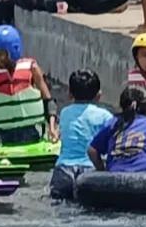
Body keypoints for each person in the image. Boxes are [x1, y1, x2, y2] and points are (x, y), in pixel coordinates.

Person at [0, 25, 59, 146]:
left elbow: (48, 101)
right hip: (2, 133)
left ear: (12, 50)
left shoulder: (32, 68)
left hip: (32, 132)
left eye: (0, 53)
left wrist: (52, 128)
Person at [48, 69, 114, 200]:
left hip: (63, 169)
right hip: (90, 171)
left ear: (69, 94)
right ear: (98, 95)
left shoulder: (65, 112)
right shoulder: (105, 116)